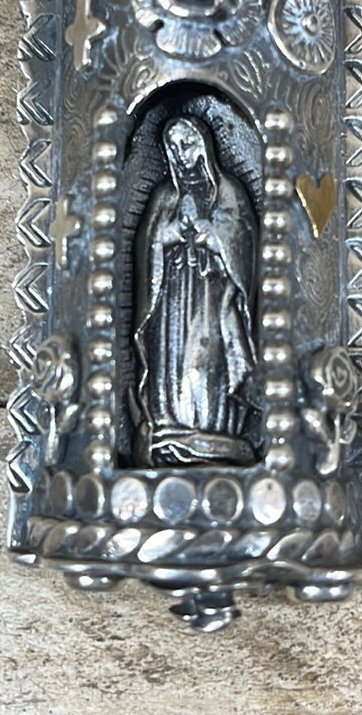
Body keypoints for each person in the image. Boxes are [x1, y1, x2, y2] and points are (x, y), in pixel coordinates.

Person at [134, 115, 257, 465]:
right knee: (172, 358)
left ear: (203, 145)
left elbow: (243, 240)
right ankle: (170, 426)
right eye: (173, 146)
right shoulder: (165, 196)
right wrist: (165, 237)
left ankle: (214, 428)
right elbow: (148, 244)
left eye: (187, 145)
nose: (180, 153)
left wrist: (215, 237)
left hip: (213, 296)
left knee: (205, 357)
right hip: (171, 297)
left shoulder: (227, 191)